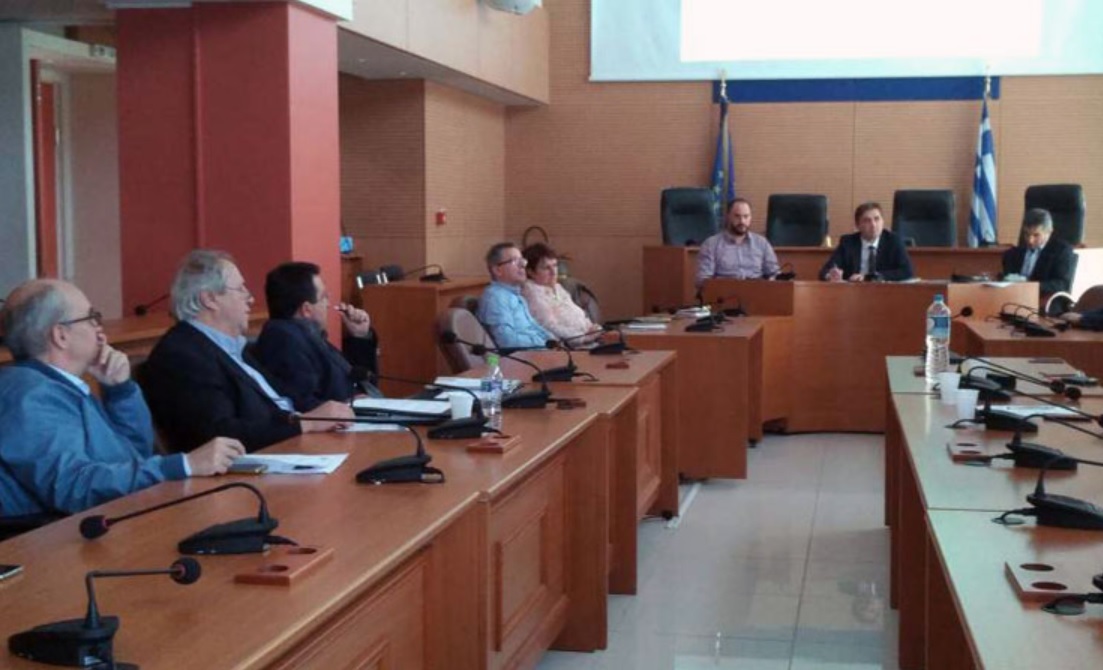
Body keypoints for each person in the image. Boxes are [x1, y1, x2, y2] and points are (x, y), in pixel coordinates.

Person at [0, 279, 244, 517]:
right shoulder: (30, 397)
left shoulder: (59, 385)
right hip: (61, 535)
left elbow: (134, 455)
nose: (100, 329)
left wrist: (120, 392)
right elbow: (74, 487)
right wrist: (184, 465)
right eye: (91, 318)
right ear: (60, 335)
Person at [142, 250, 352, 453]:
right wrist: (305, 423)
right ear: (210, 299)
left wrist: (328, 413)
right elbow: (219, 434)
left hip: (296, 446)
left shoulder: (234, 349)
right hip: (258, 463)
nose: (250, 298)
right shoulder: (183, 355)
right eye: (240, 289)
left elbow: (284, 397)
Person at [252, 262, 382, 412]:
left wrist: (359, 336)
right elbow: (302, 403)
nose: (328, 303)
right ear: (306, 309)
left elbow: (358, 377)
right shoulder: (284, 341)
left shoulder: (305, 333)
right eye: (324, 297)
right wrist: (347, 406)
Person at [520, 243, 604, 345]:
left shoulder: (557, 287)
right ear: (531, 272)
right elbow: (549, 327)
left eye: (555, 265)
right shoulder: (532, 293)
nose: (553, 272)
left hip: (588, 339)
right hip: (569, 347)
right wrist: (583, 338)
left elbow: (577, 314)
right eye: (546, 268)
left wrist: (593, 328)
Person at [477, 242, 554, 349]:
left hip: (541, 352)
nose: (523, 265)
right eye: (514, 261)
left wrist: (552, 341)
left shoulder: (514, 295)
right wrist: (545, 343)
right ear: (497, 270)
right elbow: (506, 341)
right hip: (522, 357)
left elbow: (534, 327)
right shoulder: (496, 298)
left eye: (522, 260)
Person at [819, 202, 914, 282]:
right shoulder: (848, 242)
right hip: (854, 292)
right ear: (858, 225)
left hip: (884, 292)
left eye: (877, 219)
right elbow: (824, 271)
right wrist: (830, 276)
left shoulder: (893, 241)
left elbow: (907, 271)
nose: (873, 225)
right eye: (867, 221)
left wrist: (871, 277)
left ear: (883, 221)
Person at [696, 198, 780, 286]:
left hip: (756, 291)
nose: (742, 221)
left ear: (750, 218)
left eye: (746, 216)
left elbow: (774, 273)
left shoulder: (762, 243)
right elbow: (702, 280)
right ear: (728, 216)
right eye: (737, 216)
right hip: (724, 292)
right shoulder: (711, 245)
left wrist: (772, 281)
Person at [1001, 208, 1076, 295]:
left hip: (1042, 297)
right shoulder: (1012, 254)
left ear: (1049, 232)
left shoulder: (1062, 252)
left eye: (1036, 235)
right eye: (1026, 234)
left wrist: (1031, 286)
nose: (1030, 240)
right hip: (1015, 296)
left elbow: (1063, 284)